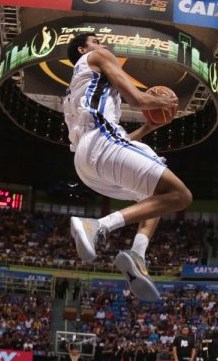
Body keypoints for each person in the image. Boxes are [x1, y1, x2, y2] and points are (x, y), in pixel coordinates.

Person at [64, 33, 192, 301]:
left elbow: (113, 143)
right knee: (180, 195)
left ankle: (138, 254)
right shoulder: (99, 57)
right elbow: (138, 100)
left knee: (154, 198)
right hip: (101, 141)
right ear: (83, 49)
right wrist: (165, 102)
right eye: (95, 41)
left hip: (86, 161)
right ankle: (98, 226)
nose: (102, 44)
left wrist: (146, 128)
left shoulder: (73, 88)